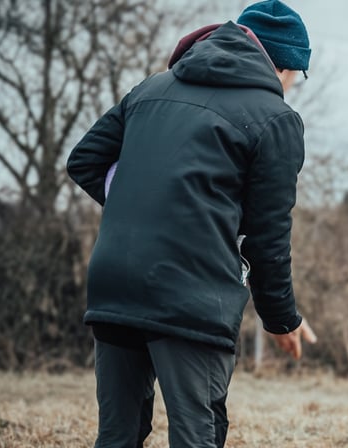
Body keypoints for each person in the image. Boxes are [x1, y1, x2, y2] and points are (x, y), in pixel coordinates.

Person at [66, 1, 316, 446]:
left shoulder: (152, 89)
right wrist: (282, 321)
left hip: (115, 283)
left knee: (117, 436)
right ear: (285, 67)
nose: (292, 85)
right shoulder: (276, 119)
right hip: (192, 295)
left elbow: (85, 161)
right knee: (196, 436)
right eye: (296, 75)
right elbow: (267, 238)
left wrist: (144, 204)